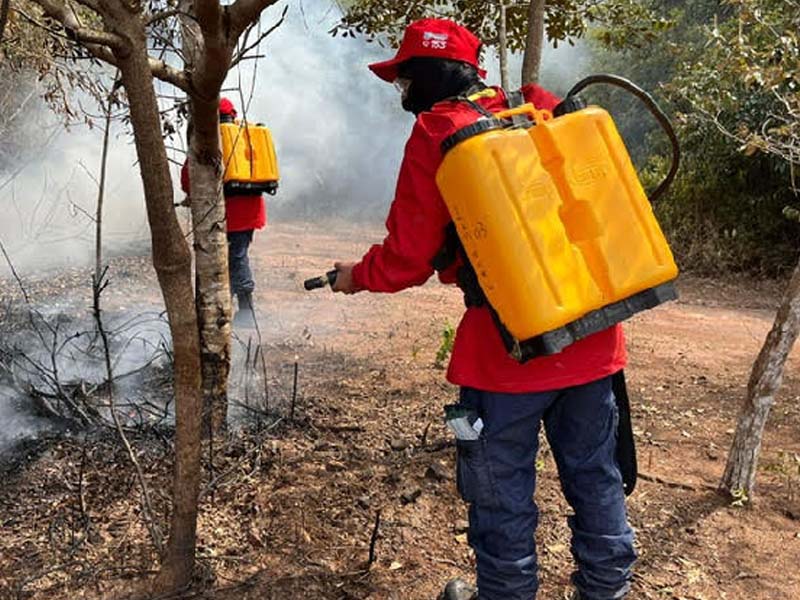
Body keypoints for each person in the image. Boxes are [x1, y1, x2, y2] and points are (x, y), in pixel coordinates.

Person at [329, 18, 636, 600]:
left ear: (429, 74)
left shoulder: (436, 133)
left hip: (505, 355)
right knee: (597, 478)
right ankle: (607, 590)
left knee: (501, 496)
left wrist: (357, 276)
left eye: (405, 77)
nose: (402, 91)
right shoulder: (538, 106)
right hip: (592, 337)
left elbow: (408, 257)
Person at [180, 97, 267, 326]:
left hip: (227, 213)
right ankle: (232, 308)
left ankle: (245, 312)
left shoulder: (209, 140)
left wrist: (192, 193)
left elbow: (188, 178)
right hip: (251, 212)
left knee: (230, 259)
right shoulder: (246, 135)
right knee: (236, 256)